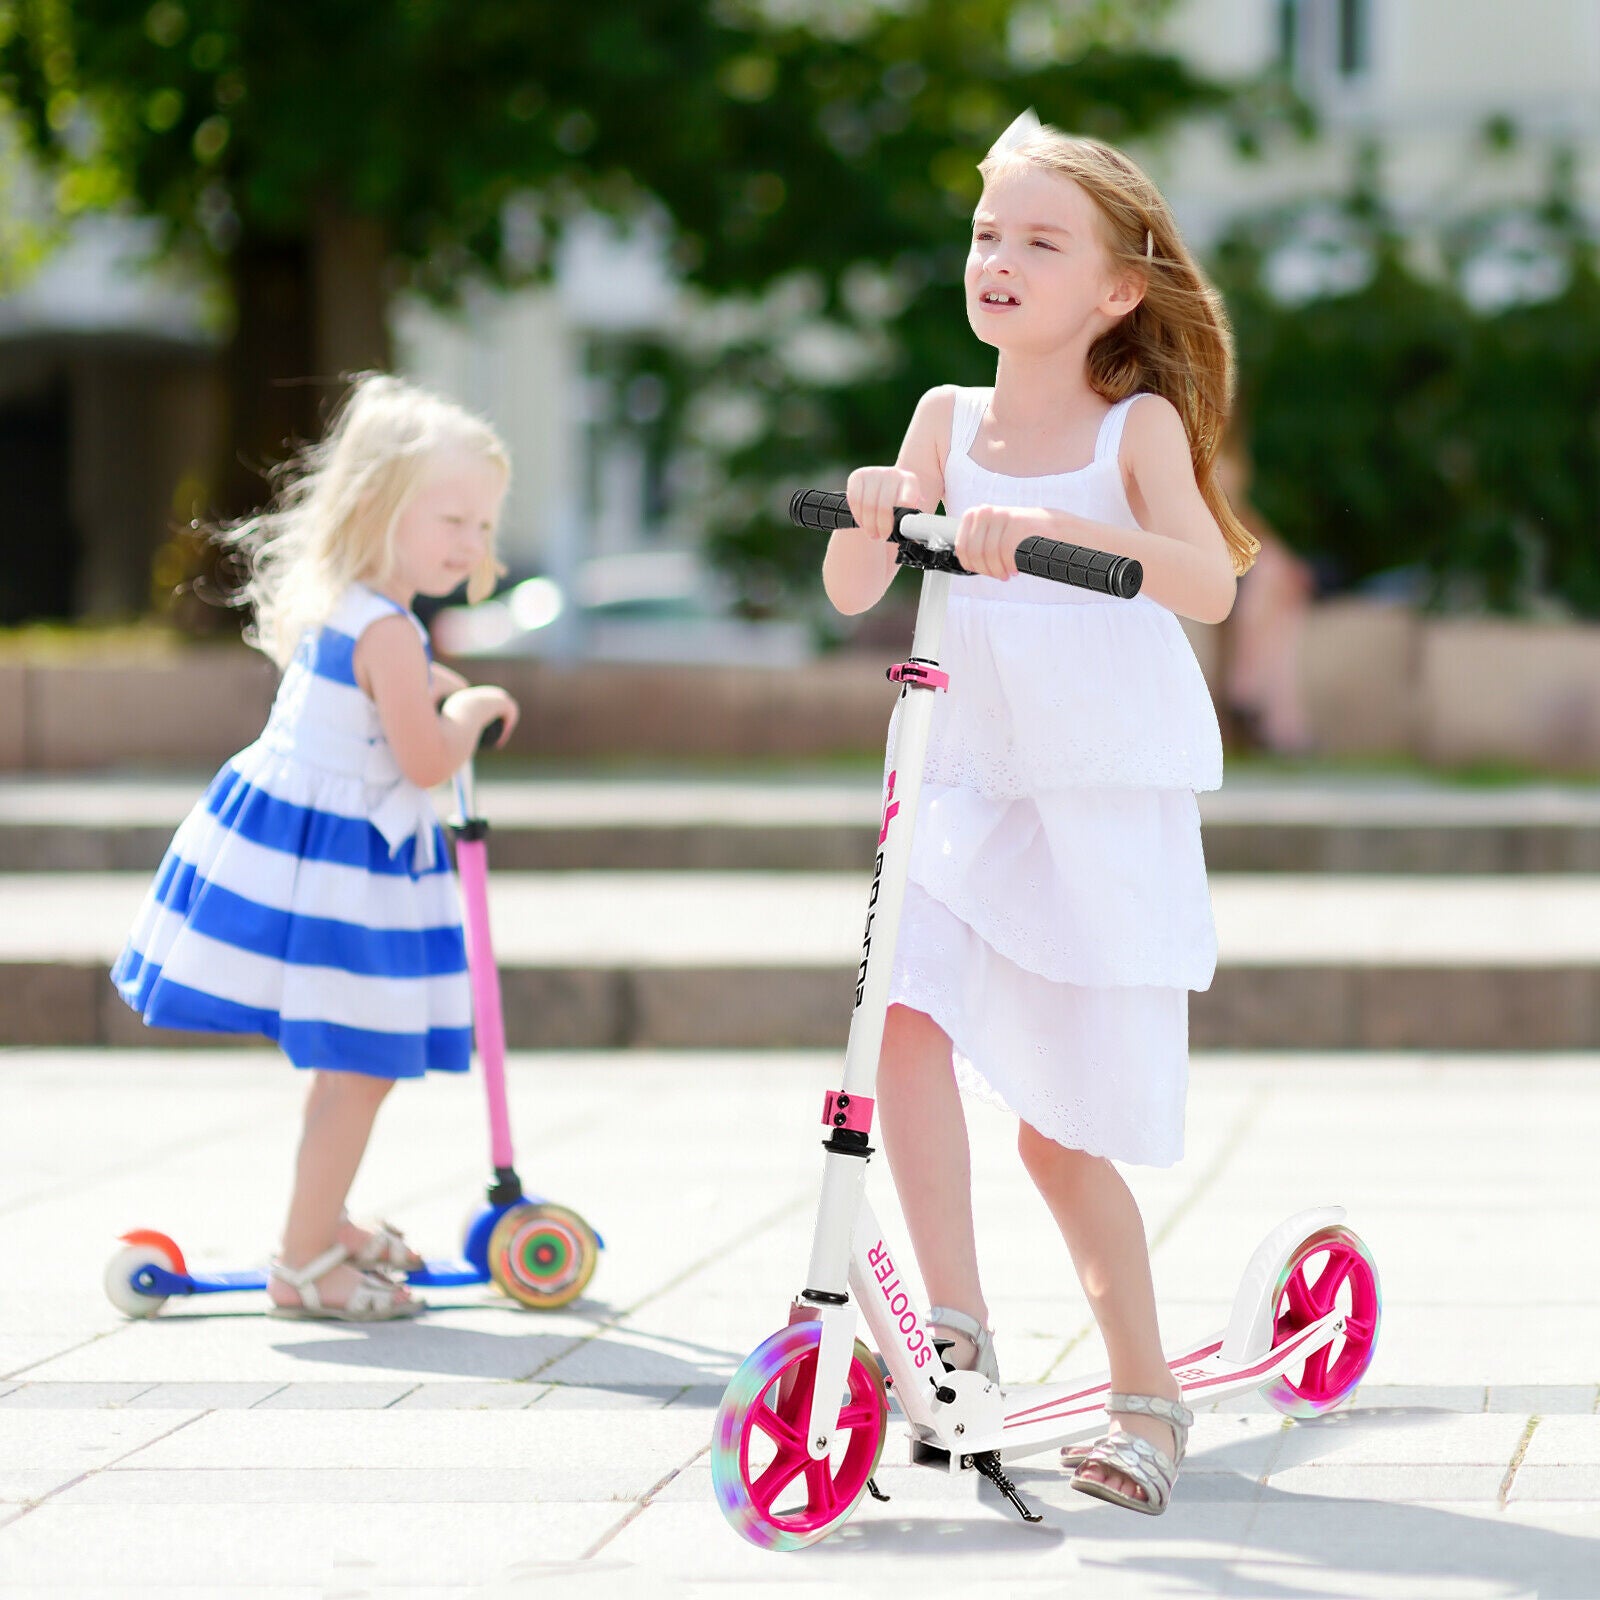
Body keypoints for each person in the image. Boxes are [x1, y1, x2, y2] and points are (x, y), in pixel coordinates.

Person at [822, 112, 1257, 1515]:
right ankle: (958, 1336)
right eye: (986, 236)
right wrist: (877, 503)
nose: (999, 261)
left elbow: (1205, 584)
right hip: (964, 786)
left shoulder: (1130, 430)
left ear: (1117, 289)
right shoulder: (949, 417)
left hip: (1094, 804)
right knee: (898, 1022)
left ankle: (1148, 1394)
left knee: (1060, 1136)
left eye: (1038, 241)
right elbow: (850, 587)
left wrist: (1065, 544)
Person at [113, 374, 520, 1322]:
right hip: (349, 876)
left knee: (349, 1064)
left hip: (308, 856)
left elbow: (387, 687)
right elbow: (423, 759)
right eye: (453, 520)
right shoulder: (388, 629)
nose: (472, 545)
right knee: (361, 1065)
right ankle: (302, 1263)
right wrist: (474, 711)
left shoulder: (350, 606)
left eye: (484, 528)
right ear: (380, 509)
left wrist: (433, 683)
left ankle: (319, 1221)